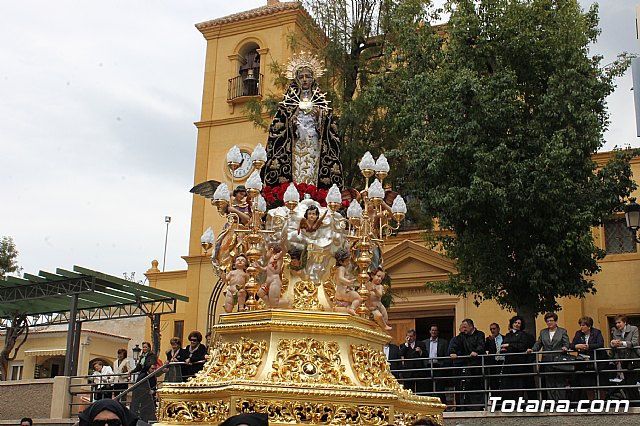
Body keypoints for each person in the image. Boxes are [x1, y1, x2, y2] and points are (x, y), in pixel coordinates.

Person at [262, 52, 343, 190]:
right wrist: (291, 122)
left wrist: (320, 117)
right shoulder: (288, 104)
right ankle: (295, 191)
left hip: (313, 142)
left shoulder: (321, 103)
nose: (305, 79)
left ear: (313, 79)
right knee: (297, 166)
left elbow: (331, 130)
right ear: (297, 79)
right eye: (301, 77)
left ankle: (312, 191)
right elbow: (277, 127)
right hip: (296, 142)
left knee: (312, 166)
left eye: (308, 76)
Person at [528, 312, 570, 401]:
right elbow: (538, 343)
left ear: (556, 321)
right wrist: (533, 349)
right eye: (547, 321)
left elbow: (566, 343)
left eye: (551, 321)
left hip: (559, 360)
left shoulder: (562, 331)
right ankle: (551, 402)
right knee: (549, 381)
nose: (549, 323)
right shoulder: (543, 332)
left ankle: (561, 402)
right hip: (547, 360)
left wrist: (565, 347)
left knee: (559, 381)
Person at [449, 319, 485, 410]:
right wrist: (452, 352)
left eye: (465, 327)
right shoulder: (462, 336)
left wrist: (476, 351)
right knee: (467, 386)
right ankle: (466, 406)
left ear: (471, 326)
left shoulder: (480, 334)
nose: (463, 329)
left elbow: (481, 345)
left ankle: (478, 406)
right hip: (467, 365)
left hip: (477, 365)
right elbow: (455, 344)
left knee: (478, 386)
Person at [569, 315, 605, 400]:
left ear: (589, 326)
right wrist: (577, 346)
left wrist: (588, 346)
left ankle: (601, 402)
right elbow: (572, 345)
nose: (581, 327)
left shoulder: (597, 332)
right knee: (587, 383)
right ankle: (591, 401)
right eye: (580, 325)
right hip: (584, 362)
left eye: (583, 325)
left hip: (596, 361)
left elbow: (600, 344)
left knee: (600, 382)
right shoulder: (578, 333)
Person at [499, 315, 535, 400]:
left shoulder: (524, 335)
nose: (517, 324)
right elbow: (503, 346)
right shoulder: (508, 335)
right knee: (508, 385)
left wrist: (509, 345)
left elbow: (521, 346)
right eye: (515, 322)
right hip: (509, 363)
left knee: (520, 384)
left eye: (519, 323)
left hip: (520, 363)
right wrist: (505, 348)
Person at [610, 314, 639, 400]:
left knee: (632, 381)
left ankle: (636, 401)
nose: (617, 325)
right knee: (626, 382)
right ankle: (631, 400)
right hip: (623, 359)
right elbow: (614, 346)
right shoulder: (616, 332)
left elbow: (635, 343)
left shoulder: (634, 329)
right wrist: (613, 344)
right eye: (616, 323)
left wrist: (622, 343)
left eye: (619, 322)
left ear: (625, 322)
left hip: (633, 358)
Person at [332, 248, 362, 316]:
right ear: (340, 262)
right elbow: (340, 277)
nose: (348, 262)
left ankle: (347, 309)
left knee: (351, 302)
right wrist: (348, 282)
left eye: (348, 260)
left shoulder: (341, 268)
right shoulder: (341, 268)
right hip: (343, 292)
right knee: (358, 298)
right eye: (346, 261)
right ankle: (352, 309)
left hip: (341, 292)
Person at [255, 243, 286, 308]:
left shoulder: (278, 257)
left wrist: (283, 242)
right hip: (268, 283)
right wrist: (258, 267)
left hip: (275, 282)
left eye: (267, 251)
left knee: (274, 303)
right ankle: (269, 305)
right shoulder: (270, 260)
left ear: (271, 250)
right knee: (260, 293)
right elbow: (266, 269)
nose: (266, 253)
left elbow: (283, 251)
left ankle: (288, 303)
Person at [422, 324, 449, 399]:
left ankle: (442, 404)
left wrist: (443, 365)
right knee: (428, 386)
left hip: (438, 366)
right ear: (430, 331)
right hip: (428, 366)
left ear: (437, 332)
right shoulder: (424, 342)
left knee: (440, 386)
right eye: (432, 330)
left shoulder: (444, 342)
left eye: (435, 330)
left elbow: (446, 355)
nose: (433, 332)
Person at [399, 328, 427, 393]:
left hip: (419, 371)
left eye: (411, 336)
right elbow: (400, 354)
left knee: (420, 390)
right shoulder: (403, 345)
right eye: (408, 336)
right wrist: (406, 344)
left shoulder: (421, 344)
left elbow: (426, 354)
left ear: (415, 336)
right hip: (408, 372)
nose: (410, 338)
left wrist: (420, 351)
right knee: (409, 391)